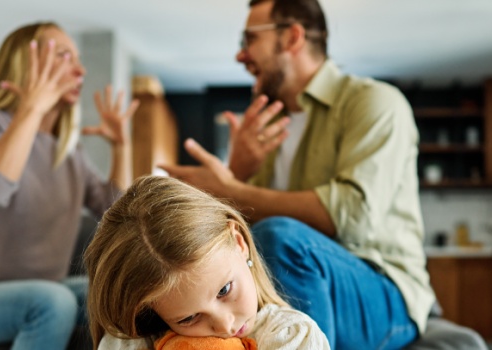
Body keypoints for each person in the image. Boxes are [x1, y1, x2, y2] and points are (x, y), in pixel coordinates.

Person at [159, 0, 435, 348]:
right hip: (297, 276)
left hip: (385, 291)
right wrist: (238, 173)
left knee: (282, 237)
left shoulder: (375, 102)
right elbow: (242, 235)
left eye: (248, 41)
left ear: (292, 37)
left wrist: (233, 189)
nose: (240, 57)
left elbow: (351, 217)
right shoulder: (268, 126)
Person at [0, 22, 138, 349]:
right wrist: (32, 107)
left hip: (40, 287)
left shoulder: (67, 148)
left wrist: (121, 148)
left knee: (125, 291)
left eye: (77, 59)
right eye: (64, 56)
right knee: (52, 302)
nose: (80, 69)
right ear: (26, 66)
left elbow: (116, 211)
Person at [84, 176, 330, 350]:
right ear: (151, 314)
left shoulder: (295, 339)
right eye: (188, 318)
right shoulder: (130, 343)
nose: (225, 325)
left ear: (239, 242)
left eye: (224, 290)